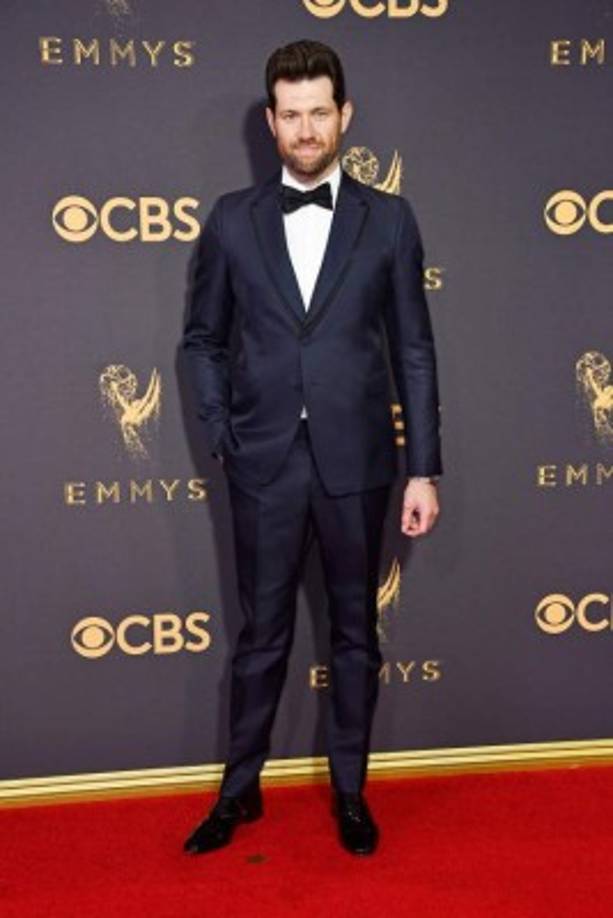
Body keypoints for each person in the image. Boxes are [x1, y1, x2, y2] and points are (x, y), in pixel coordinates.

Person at [181, 39, 442, 857]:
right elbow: (200, 342)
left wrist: (423, 467)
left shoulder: (389, 219)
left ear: (344, 116)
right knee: (259, 637)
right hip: (261, 464)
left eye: (317, 112)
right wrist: (223, 433)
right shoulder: (230, 219)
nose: (303, 128)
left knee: (355, 635)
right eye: (289, 115)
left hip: (359, 465)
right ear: (270, 122)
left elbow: (413, 351)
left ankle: (351, 791)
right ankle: (238, 791)